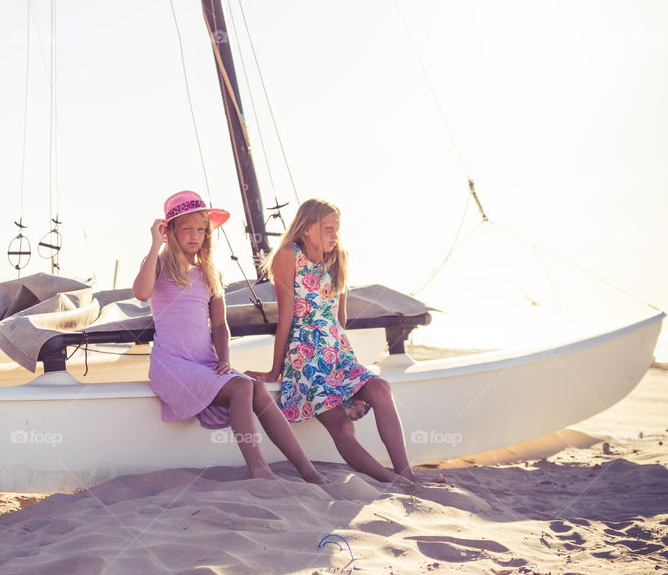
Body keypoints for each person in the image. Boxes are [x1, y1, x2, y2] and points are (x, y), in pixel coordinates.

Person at [245, 198, 444, 486]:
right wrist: (275, 370)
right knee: (341, 425)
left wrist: (341, 350)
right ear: (307, 228)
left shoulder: (339, 257)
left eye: (337, 229)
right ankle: (394, 481)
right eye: (328, 228)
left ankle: (405, 473)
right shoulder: (288, 255)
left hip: (338, 352)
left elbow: (341, 317)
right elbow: (285, 316)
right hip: (306, 356)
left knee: (380, 388)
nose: (334, 235)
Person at [133, 190, 324, 483]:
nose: (195, 236)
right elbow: (141, 292)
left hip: (205, 362)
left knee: (257, 389)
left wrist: (224, 359)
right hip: (172, 365)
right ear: (170, 231)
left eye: (201, 230)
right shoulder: (158, 264)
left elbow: (220, 326)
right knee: (241, 387)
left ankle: (307, 470)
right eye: (186, 229)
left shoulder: (209, 273)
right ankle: (259, 469)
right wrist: (155, 243)